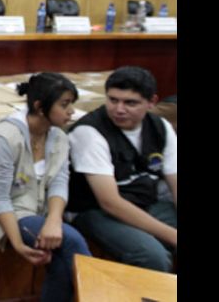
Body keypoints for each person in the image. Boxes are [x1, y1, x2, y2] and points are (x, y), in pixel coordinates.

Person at [0, 73, 91, 302]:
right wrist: (19, 244)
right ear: (40, 107)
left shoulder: (59, 136)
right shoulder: (6, 137)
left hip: (40, 210)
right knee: (72, 241)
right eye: (64, 104)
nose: (72, 111)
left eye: (72, 103)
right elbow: (0, 198)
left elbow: (59, 182)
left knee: (62, 256)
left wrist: (54, 220)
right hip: (7, 212)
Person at [67, 66, 177, 272]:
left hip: (146, 202)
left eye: (130, 103)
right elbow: (110, 203)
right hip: (95, 211)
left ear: (152, 102)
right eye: (113, 100)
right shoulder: (89, 132)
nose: (119, 109)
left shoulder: (161, 126)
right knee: (153, 257)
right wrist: (172, 236)